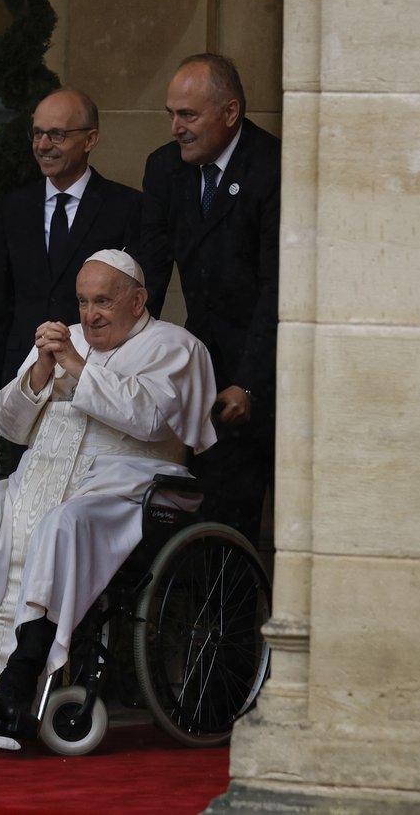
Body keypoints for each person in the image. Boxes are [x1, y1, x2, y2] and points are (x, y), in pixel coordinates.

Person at [0, 250, 217, 742]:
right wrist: (37, 376)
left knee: (61, 524)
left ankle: (18, 680)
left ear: (138, 301)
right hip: (35, 482)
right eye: (82, 301)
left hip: (124, 489)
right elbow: (13, 426)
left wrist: (76, 367)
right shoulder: (63, 339)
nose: (89, 314)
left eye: (103, 301)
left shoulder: (175, 347)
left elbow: (151, 419)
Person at [136, 53, 279, 544]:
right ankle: (197, 619)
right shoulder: (164, 169)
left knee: (249, 521)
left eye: (188, 115)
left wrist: (251, 384)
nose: (176, 127)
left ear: (231, 112)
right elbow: (148, 277)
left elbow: (276, 288)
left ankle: (235, 621)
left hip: (264, 371)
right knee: (195, 516)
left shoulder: (272, 167)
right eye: (171, 114)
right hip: (202, 369)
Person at [0, 88, 141, 460]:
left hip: (93, 386)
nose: (43, 145)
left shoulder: (126, 208)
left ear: (90, 139)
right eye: (37, 133)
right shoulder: (13, 208)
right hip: (23, 388)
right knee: (17, 506)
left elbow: (137, 309)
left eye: (57, 134)